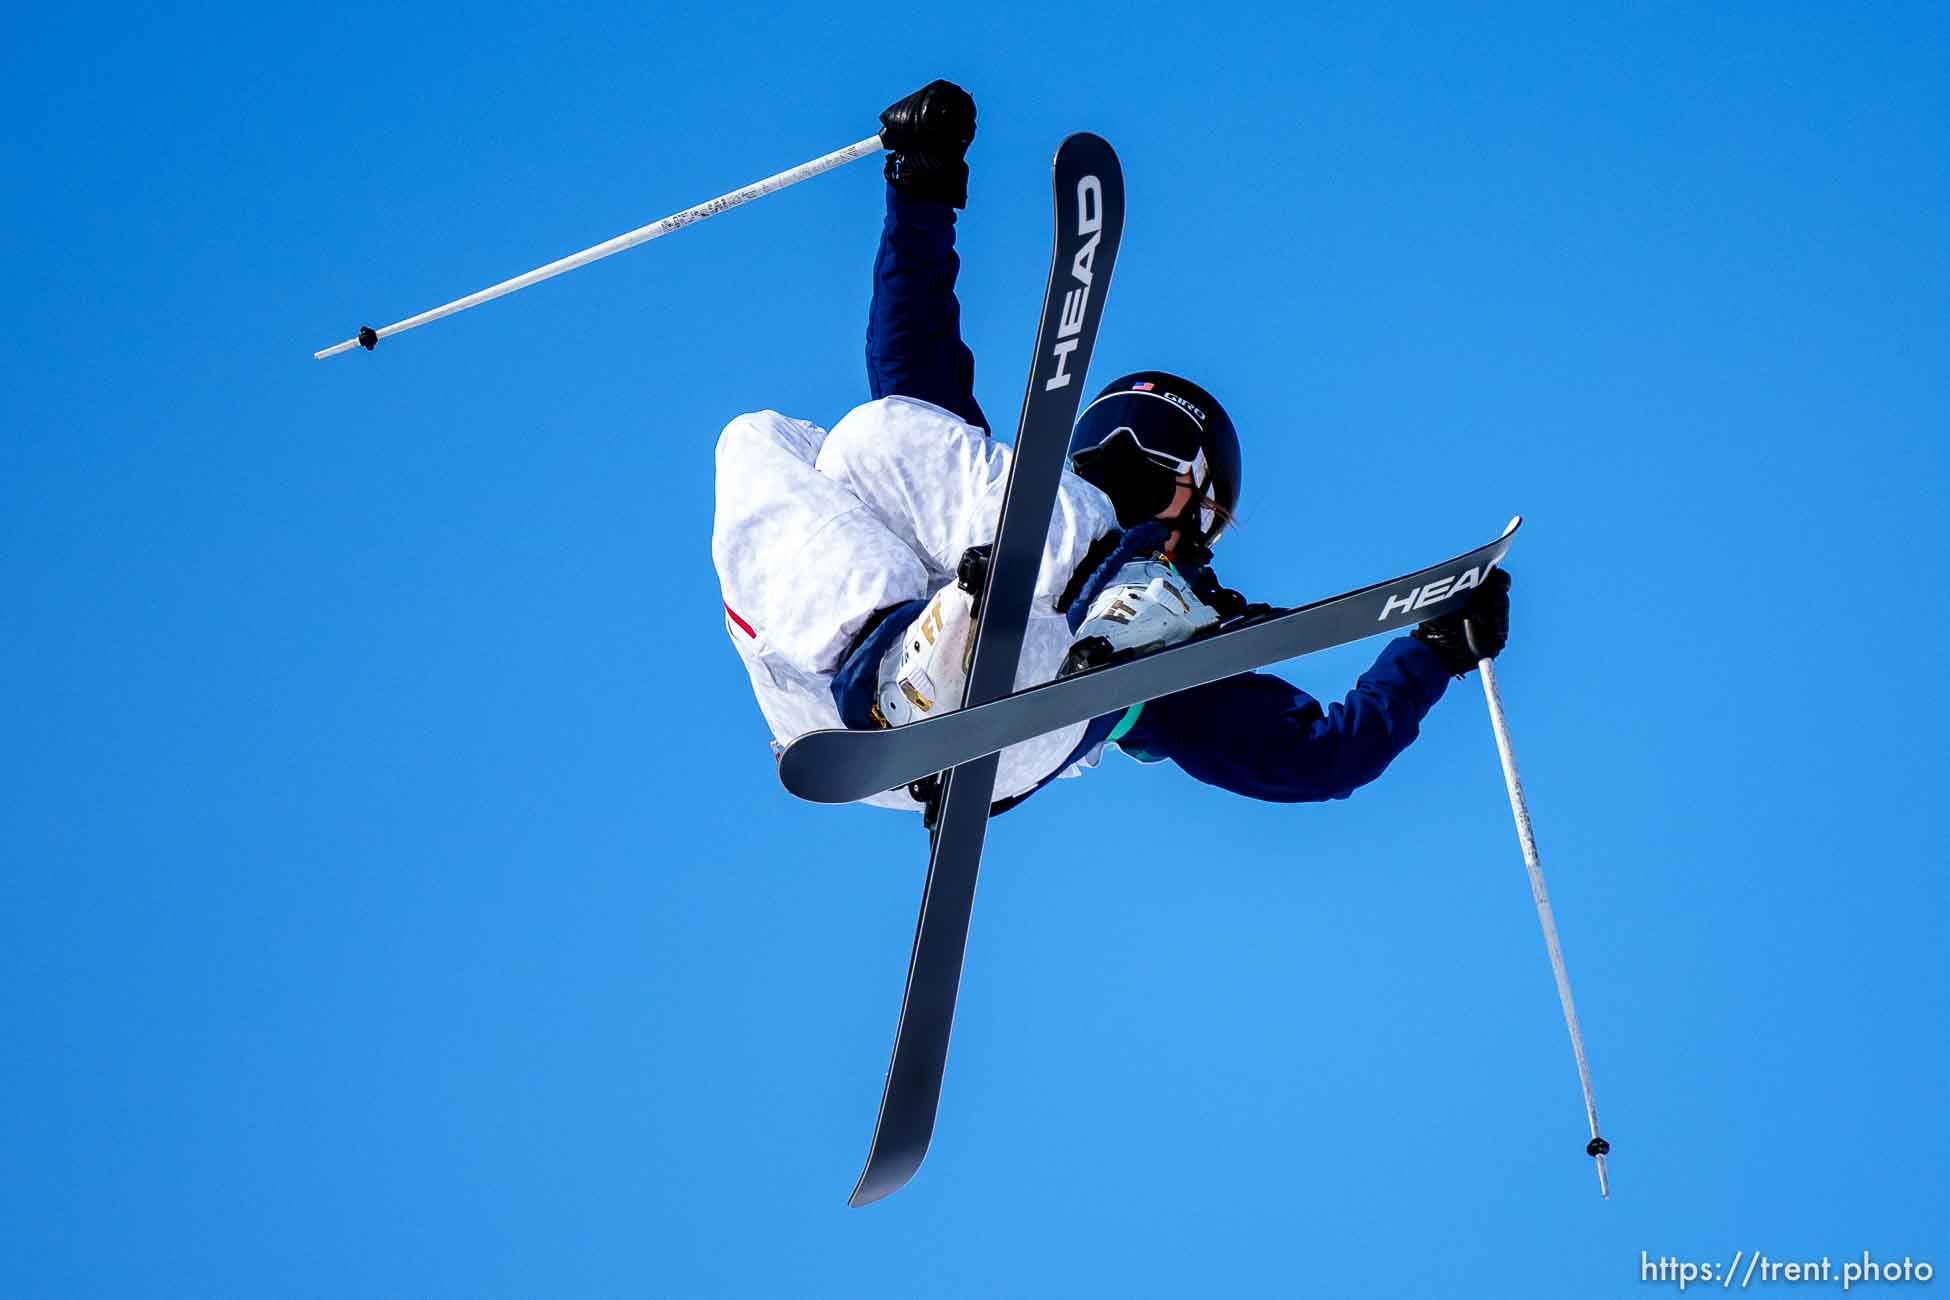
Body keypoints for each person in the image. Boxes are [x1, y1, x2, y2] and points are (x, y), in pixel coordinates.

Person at [712, 80, 1512, 813]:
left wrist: (1434, 651)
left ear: (1199, 502)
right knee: (775, 439)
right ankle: (906, 662)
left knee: (933, 449)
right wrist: (921, 190)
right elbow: (914, 376)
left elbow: (1321, 757)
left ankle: (1012, 640)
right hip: (831, 711)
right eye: (1109, 438)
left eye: (1160, 448)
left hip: (1033, 707)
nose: (1128, 454)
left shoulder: (1187, 648)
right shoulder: (1011, 504)